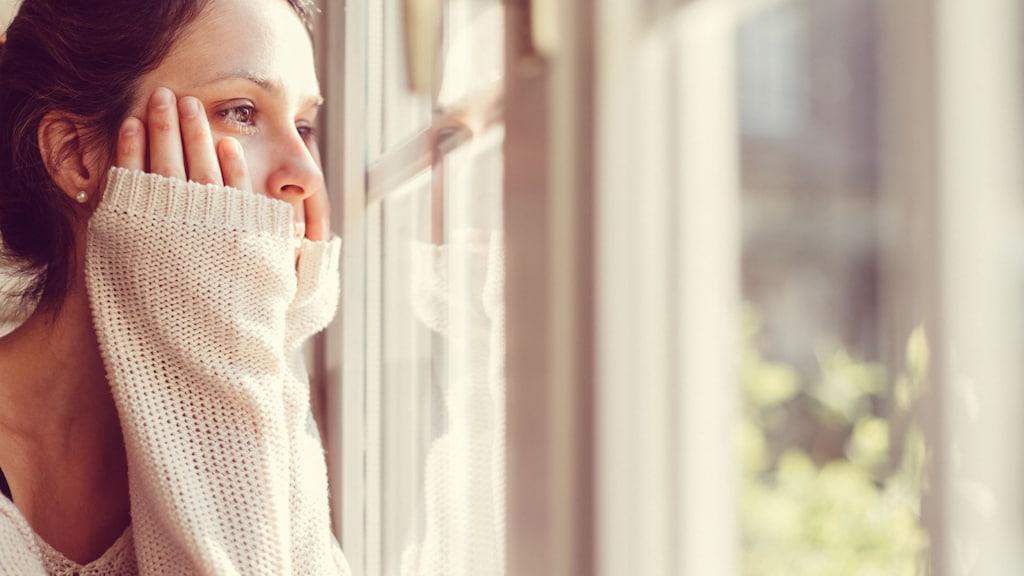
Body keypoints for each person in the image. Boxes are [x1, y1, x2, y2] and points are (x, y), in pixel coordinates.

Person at [0, 0, 351, 573]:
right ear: (74, 157)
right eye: (240, 111)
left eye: (304, 125)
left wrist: (258, 350)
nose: (307, 173)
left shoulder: (262, 405)